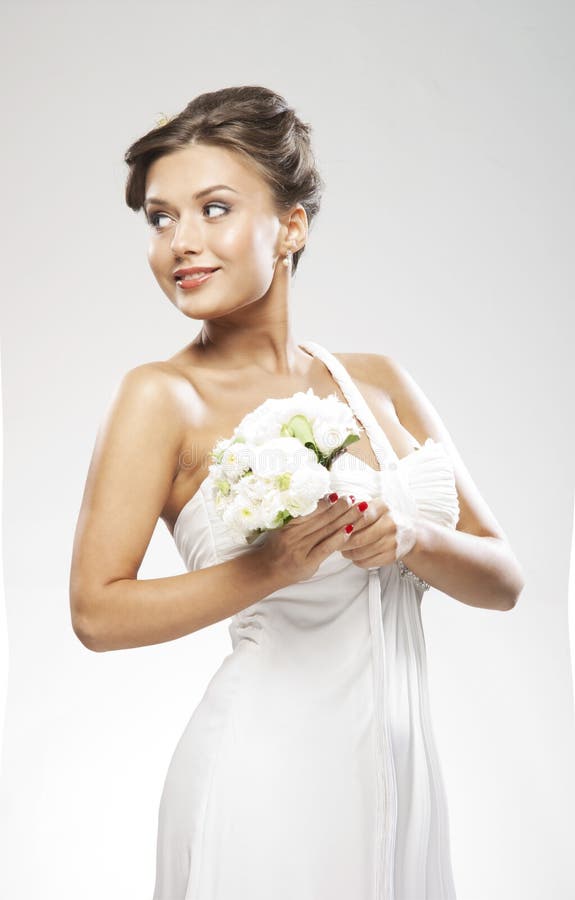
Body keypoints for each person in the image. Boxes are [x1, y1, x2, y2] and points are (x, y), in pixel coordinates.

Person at [69, 85, 525, 900]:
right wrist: (271, 565)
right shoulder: (161, 396)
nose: (180, 241)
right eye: (159, 217)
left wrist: (412, 540)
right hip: (264, 781)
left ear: (291, 226)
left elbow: (503, 579)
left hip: (399, 773)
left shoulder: (378, 382)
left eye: (213, 208)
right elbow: (96, 614)